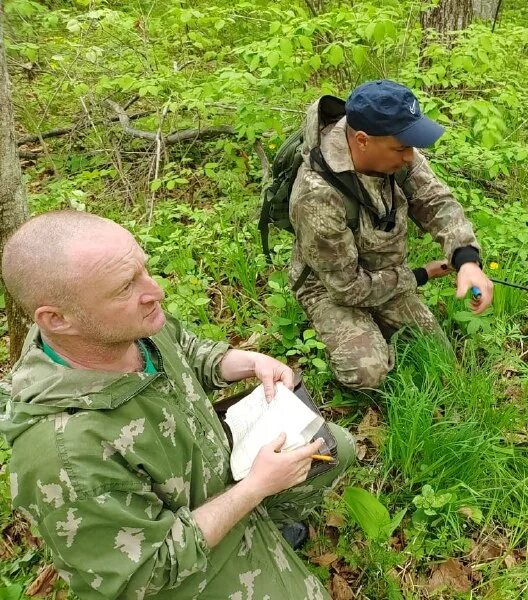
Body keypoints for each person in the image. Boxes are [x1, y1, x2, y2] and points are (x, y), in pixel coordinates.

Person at [0, 211, 354, 600]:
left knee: (333, 445)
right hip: (180, 567)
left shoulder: (121, 326)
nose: (155, 291)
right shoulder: (63, 457)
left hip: (213, 477)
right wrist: (254, 489)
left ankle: (267, 529)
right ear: (58, 319)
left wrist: (244, 362)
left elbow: (183, 346)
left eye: (144, 269)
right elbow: (145, 574)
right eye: (124, 288)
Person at [289, 80, 493, 390]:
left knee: (437, 354)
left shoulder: (393, 150)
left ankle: (379, 330)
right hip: (331, 288)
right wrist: (419, 275)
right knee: (369, 375)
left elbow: (435, 200)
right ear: (362, 141)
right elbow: (347, 288)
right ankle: (347, 333)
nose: (411, 156)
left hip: (383, 273)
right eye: (402, 148)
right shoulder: (316, 196)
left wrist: (466, 259)